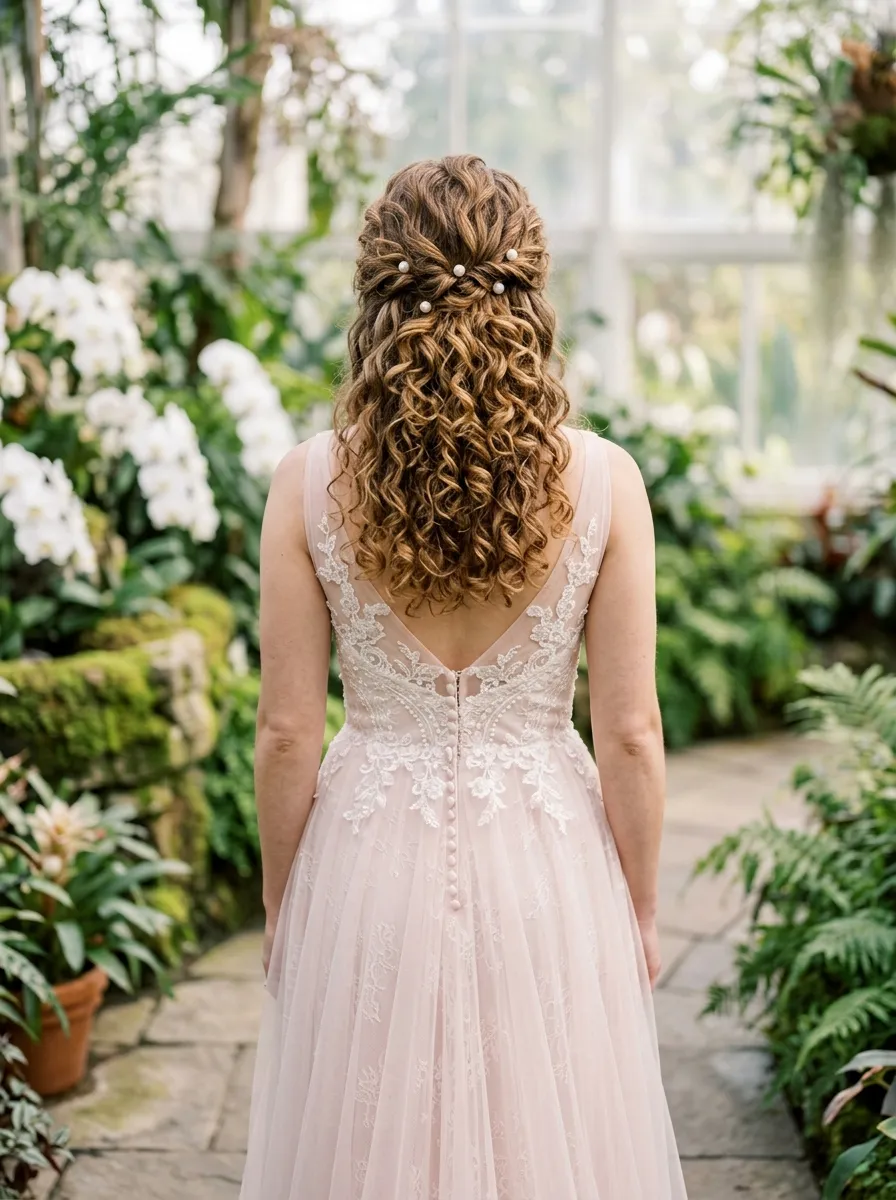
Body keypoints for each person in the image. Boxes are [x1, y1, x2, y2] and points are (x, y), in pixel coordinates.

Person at [239, 154, 687, 1199]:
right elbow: (629, 731)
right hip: (548, 860)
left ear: (375, 301)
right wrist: (643, 904)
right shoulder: (605, 481)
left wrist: (283, 900)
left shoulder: (306, 483)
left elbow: (285, 734)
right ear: (526, 295)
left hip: (365, 860)